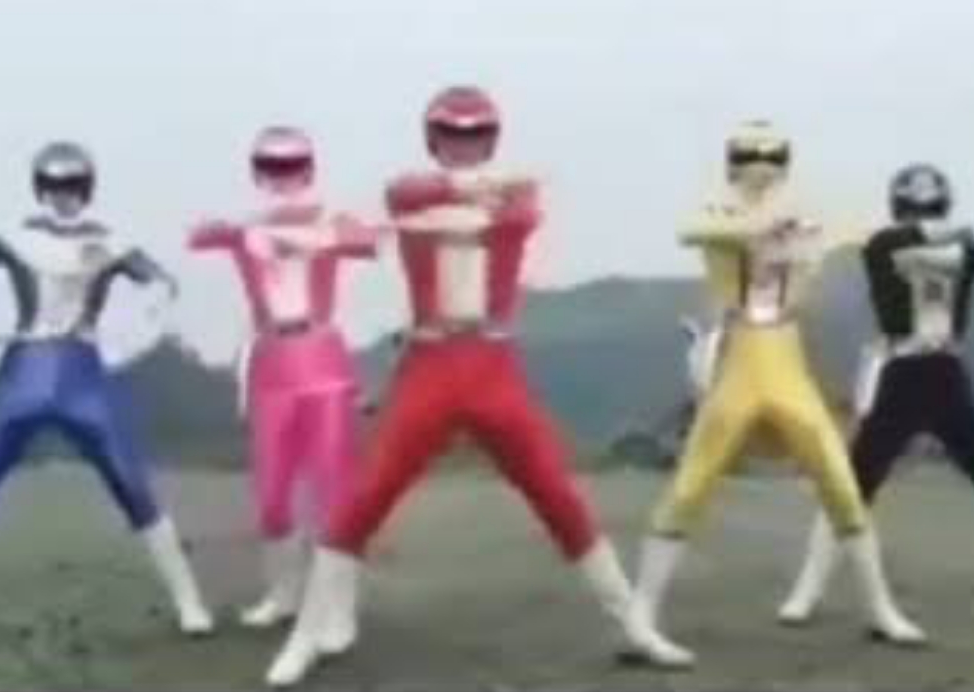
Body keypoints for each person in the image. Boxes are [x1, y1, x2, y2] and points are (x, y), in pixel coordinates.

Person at [264, 85, 687, 686]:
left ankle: (635, 628)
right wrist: (467, 195)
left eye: (475, 135)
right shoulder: (412, 194)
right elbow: (407, 192)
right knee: (365, 496)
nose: (463, 145)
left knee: (558, 494)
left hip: (492, 364)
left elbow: (525, 210)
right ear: (433, 139)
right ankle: (306, 637)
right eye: (451, 135)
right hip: (430, 363)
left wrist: (479, 197)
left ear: (491, 139)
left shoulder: (512, 198)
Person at [627, 121, 926, 667]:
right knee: (691, 484)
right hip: (742, 355)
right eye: (749, 156)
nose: (760, 167)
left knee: (840, 480)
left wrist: (902, 234)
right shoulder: (720, 214)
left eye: (771, 157)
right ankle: (641, 614)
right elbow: (689, 230)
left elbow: (862, 231)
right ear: (733, 164)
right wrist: (759, 227)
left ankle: (881, 608)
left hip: (786, 356)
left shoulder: (804, 215)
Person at [0, 142, 212, 640]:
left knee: (130, 481)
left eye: (73, 186)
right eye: (55, 186)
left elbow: (159, 280)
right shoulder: (15, 238)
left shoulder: (111, 242)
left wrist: (154, 303)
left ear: (87, 188)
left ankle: (189, 602)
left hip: (82, 372)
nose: (64, 196)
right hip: (25, 370)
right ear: (41, 188)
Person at [776, 163, 974, 633]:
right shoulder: (884, 246)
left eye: (931, 209)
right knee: (853, 486)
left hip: (945, 374)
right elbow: (909, 252)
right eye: (917, 210)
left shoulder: (956, 248)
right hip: (900, 373)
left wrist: (964, 250)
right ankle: (806, 591)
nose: (923, 217)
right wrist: (954, 246)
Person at [188, 126, 380, 628]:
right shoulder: (248, 228)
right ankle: (285, 593)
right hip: (271, 361)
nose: (282, 177)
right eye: (271, 168)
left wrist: (310, 233)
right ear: (257, 173)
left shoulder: (330, 219)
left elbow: (369, 241)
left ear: (309, 170)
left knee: (333, 491)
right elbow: (197, 236)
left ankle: (338, 608)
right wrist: (247, 227)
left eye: (291, 167)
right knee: (272, 495)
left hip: (322, 358)